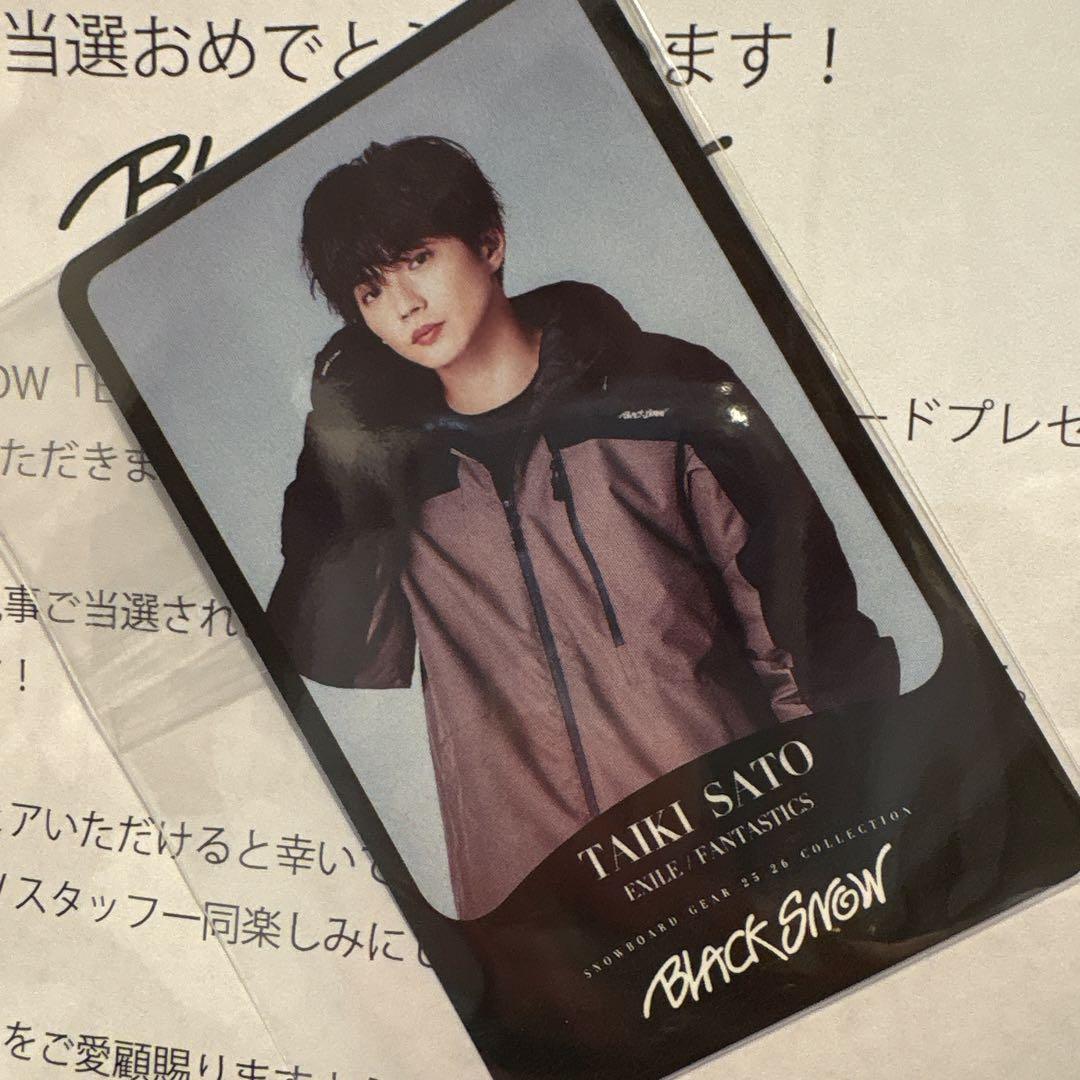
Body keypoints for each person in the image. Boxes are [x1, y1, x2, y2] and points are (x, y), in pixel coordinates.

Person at [266, 136, 900, 919]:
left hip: (735, 847)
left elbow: (804, 624)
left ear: (489, 244)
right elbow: (337, 649)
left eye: (418, 260)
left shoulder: (664, 390)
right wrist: (337, 446)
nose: (404, 305)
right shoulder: (393, 468)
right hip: (544, 905)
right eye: (370, 291)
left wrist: (836, 807)